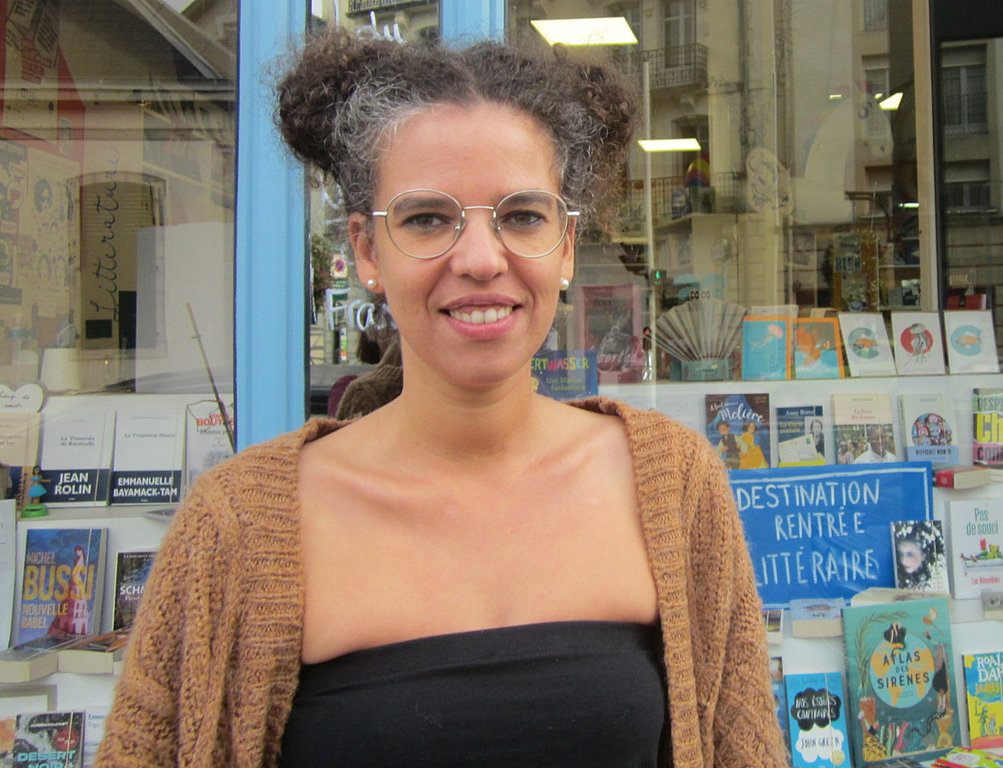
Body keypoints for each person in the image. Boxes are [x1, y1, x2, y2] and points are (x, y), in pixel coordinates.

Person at [94, 28, 787, 768]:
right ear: (365, 250)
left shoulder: (676, 487)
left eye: (522, 215)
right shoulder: (235, 528)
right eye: (427, 218)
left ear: (567, 247)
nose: (482, 259)